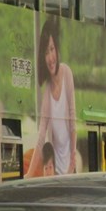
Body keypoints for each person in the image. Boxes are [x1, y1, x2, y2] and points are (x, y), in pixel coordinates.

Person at [27, 17, 77, 176]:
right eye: (46, 53)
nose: (50, 58)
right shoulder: (47, 91)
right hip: (56, 169)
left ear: (57, 48)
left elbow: (73, 120)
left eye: (52, 49)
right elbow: (41, 135)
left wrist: (72, 162)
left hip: (70, 166)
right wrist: (28, 174)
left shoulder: (66, 73)